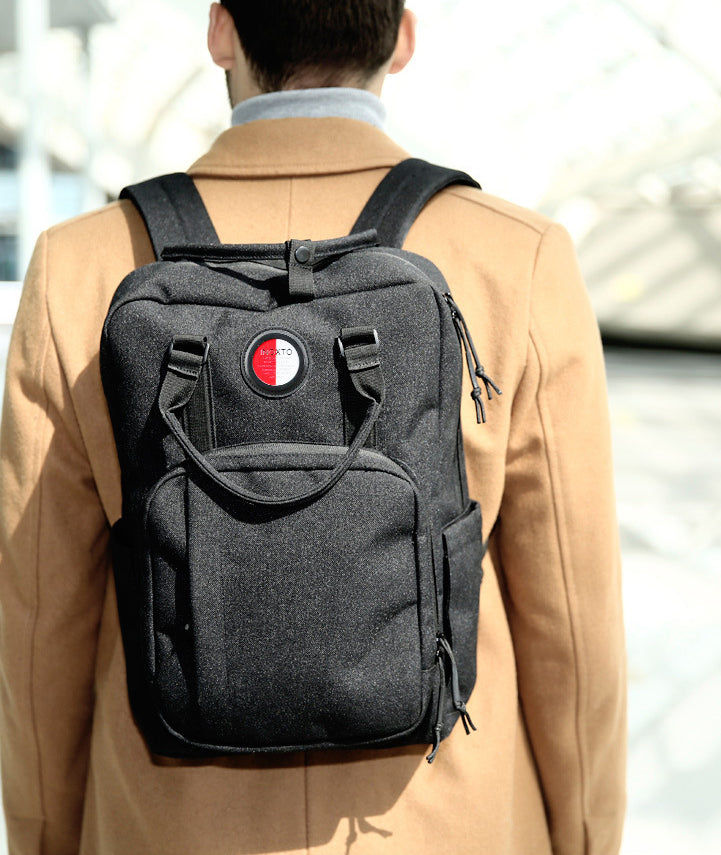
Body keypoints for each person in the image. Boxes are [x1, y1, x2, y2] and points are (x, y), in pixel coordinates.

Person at [0, 2, 627, 854]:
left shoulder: (79, 265)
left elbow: (39, 621)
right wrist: (587, 836)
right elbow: (573, 621)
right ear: (401, 39)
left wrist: (43, 837)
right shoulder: (516, 256)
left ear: (221, 30)